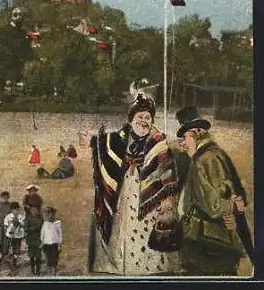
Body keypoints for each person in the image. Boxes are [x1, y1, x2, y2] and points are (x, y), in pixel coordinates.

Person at [89, 93, 181, 275]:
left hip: (150, 196)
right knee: (121, 228)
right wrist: (92, 141)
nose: (144, 121)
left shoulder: (158, 141)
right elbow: (105, 143)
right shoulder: (122, 137)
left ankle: (149, 270)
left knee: (146, 235)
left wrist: (167, 199)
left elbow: (167, 171)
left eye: (148, 117)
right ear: (131, 119)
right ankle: (123, 268)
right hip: (126, 193)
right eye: (140, 117)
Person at [176, 106, 249, 276]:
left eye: (185, 137)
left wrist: (234, 206)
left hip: (207, 242)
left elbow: (215, 205)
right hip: (214, 240)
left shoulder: (204, 160)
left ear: (197, 133)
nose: (182, 143)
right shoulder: (215, 154)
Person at [41, 207, 63, 276]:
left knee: (54, 262)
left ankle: (53, 275)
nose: (50, 216)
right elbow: (42, 234)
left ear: (54, 215)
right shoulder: (45, 224)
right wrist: (42, 242)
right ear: (47, 215)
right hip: (46, 245)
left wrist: (59, 244)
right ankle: (49, 275)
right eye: (49, 214)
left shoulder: (57, 223)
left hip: (54, 245)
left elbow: (60, 234)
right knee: (48, 261)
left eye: (52, 214)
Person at [3, 202, 26, 267]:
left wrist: (19, 222)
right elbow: (5, 225)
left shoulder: (20, 216)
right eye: (14, 209)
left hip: (18, 235)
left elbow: (23, 225)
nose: (16, 211)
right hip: (10, 235)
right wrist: (7, 232)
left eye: (17, 209)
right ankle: (5, 260)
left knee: (17, 248)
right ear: (11, 210)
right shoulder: (8, 216)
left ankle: (14, 261)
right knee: (7, 248)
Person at [0, 191, 11, 264]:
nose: (5, 199)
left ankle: (5, 253)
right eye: (3, 198)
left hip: (8, 226)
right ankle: (1, 252)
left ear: (8, 198)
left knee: (7, 239)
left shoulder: (10, 205)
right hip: (1, 225)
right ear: (1, 198)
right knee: (1, 239)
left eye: (6, 198)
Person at [25, 206, 44, 275]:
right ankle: (33, 270)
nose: (34, 212)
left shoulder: (40, 218)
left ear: (38, 211)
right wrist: (34, 228)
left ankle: (38, 271)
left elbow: (40, 226)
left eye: (35, 210)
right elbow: (26, 228)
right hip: (30, 240)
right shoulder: (28, 218)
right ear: (30, 211)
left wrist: (32, 228)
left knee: (38, 256)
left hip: (38, 239)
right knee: (31, 256)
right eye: (32, 210)